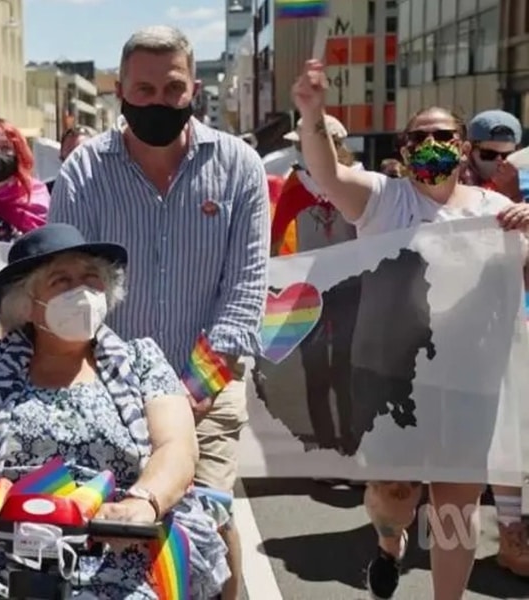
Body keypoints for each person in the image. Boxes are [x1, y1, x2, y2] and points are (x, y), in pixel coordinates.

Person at [292, 58, 529, 599]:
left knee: (455, 508)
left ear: (462, 148)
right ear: (402, 150)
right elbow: (329, 175)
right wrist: (312, 113)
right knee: (395, 495)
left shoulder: (497, 210)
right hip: (391, 378)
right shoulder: (383, 199)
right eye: (419, 137)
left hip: (469, 383)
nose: (431, 144)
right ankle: (388, 542)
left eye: (443, 136)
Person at [0, 223, 230, 599]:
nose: (81, 291)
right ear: (26, 303)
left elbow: (177, 447)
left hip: (119, 553)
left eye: (91, 278)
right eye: (62, 281)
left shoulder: (142, 361)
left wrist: (144, 501)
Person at [50, 26, 269, 600]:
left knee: (209, 522)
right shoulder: (83, 172)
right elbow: (68, 287)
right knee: (111, 528)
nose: (159, 102)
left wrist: (191, 391)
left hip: (209, 387)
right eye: (144, 90)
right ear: (120, 92)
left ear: (193, 87)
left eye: (173, 88)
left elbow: (245, 291)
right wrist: (120, 390)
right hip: (107, 388)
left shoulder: (240, 167)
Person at [461, 109, 529, 577]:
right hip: (472, 330)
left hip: (518, 319)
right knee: (500, 433)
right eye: (489, 154)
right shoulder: (453, 186)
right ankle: (510, 532)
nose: (500, 163)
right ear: (470, 150)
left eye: (509, 156)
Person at [270, 116, 361, 461]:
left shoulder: (357, 182)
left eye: (304, 143)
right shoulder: (297, 184)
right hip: (308, 293)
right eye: (298, 145)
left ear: (333, 146)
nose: (299, 151)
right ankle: (324, 450)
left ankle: (352, 443)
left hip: (352, 288)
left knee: (347, 370)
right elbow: (275, 236)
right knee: (316, 371)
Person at [461, 109, 525, 202]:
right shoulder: (454, 181)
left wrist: (514, 195)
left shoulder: (525, 183)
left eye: (507, 155)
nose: (499, 162)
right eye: (489, 154)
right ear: (468, 151)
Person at [47, 125, 98, 193]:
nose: (73, 163)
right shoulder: (48, 192)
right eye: (68, 154)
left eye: (80, 156)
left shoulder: (107, 189)